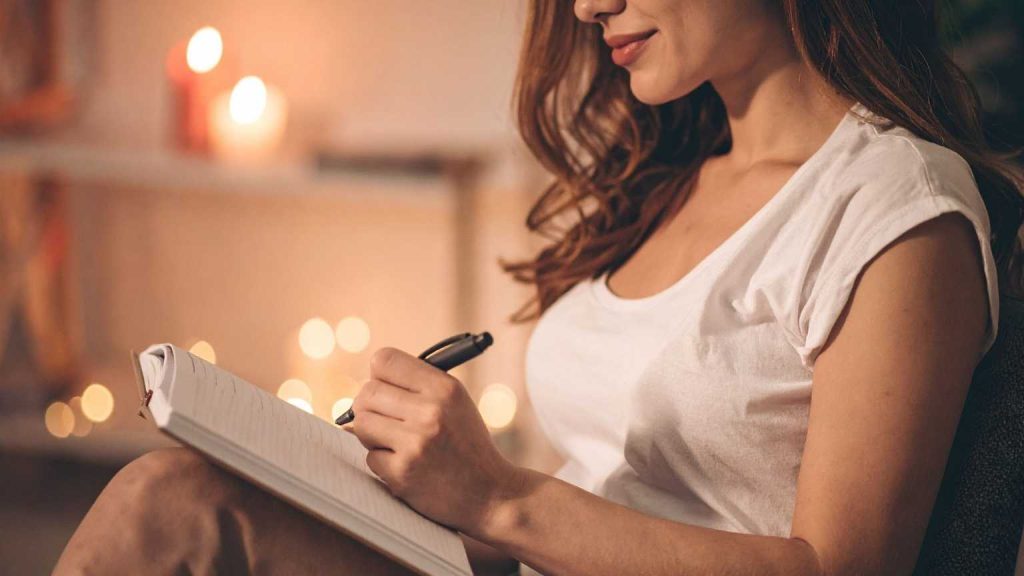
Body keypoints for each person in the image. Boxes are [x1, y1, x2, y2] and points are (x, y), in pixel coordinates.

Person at [55, 1, 1024, 575]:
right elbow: (604, 488)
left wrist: (497, 497)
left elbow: (838, 570)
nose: (588, 5)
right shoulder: (673, 178)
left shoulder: (893, 204)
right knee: (170, 495)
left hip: (510, 539)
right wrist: (414, 484)